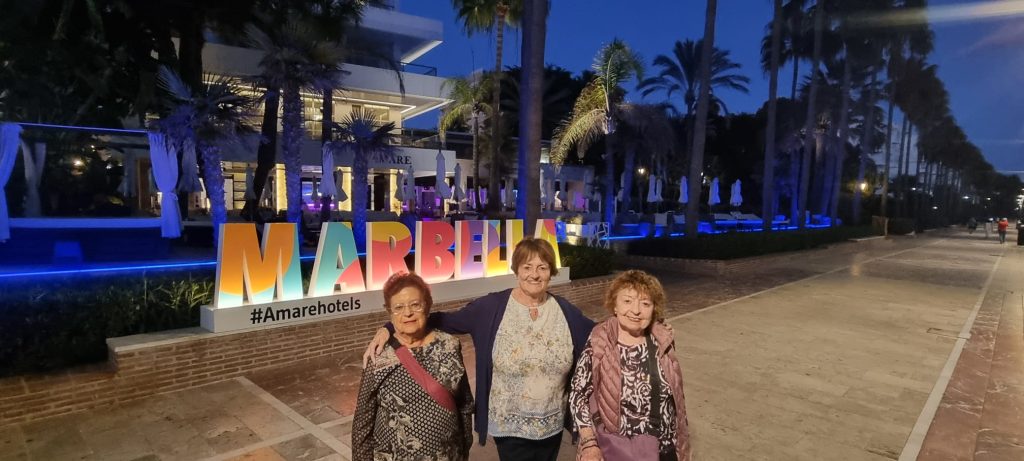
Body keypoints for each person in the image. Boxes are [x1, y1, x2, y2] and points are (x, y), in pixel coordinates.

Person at [363, 238, 595, 461]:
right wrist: (388, 327)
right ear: (516, 270)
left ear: (551, 272)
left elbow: (599, 334)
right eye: (527, 267)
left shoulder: (565, 312)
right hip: (509, 428)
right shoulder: (491, 308)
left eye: (542, 267)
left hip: (551, 426)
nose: (534, 274)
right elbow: (442, 320)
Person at [352, 272, 474, 461]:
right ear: (389, 313)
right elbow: (363, 420)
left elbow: (464, 403)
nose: (407, 313)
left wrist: (465, 447)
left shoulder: (449, 345)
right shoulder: (379, 355)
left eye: (415, 305)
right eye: (398, 308)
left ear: (427, 306)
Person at [570, 270, 690, 461]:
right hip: (617, 450)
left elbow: (676, 400)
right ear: (614, 306)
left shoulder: (662, 340)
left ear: (654, 309)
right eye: (627, 301)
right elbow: (578, 394)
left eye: (645, 303)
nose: (636, 310)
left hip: (664, 450)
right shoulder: (600, 340)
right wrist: (589, 443)